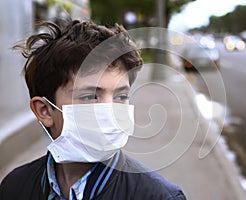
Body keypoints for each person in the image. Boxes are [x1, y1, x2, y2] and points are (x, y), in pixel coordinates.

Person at [0, 19, 186, 200]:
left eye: (120, 97)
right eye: (89, 97)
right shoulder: (14, 187)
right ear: (45, 111)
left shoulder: (159, 196)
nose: (110, 111)